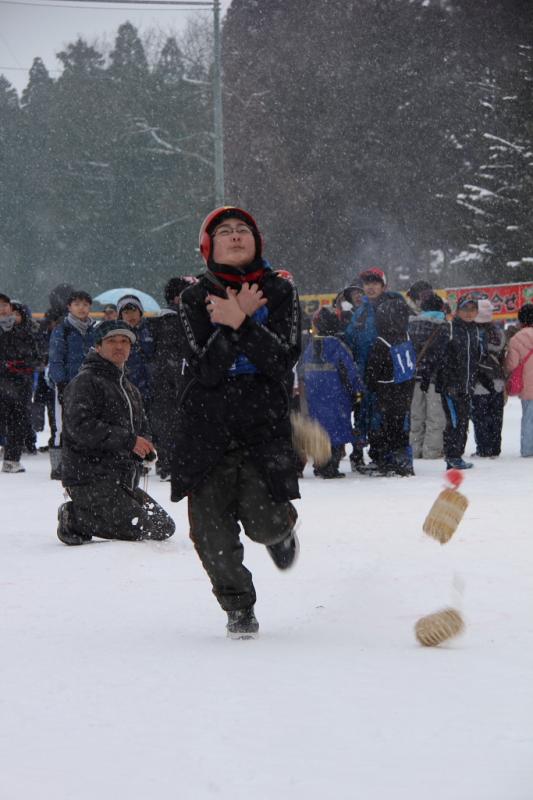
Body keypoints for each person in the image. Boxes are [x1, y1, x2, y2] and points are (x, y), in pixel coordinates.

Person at [171, 206, 301, 639]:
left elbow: (281, 359)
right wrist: (232, 326)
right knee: (210, 534)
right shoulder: (192, 300)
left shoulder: (280, 292)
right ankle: (238, 607)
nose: (235, 236)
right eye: (224, 231)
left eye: (242, 229)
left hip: (263, 422)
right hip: (207, 426)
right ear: (210, 247)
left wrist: (241, 320)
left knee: (264, 521)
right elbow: (205, 370)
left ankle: (281, 529)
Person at [56, 320, 175, 545]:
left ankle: (101, 512)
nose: (119, 346)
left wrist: (145, 445)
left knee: (163, 527)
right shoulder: (85, 382)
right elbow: (80, 428)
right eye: (112, 341)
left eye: (124, 341)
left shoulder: (130, 388)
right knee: (142, 529)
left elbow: (143, 428)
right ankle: (74, 517)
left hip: (122, 481)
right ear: (98, 346)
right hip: (89, 478)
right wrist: (129, 441)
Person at [344, 267, 410, 473]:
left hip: (389, 371)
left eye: (375, 283)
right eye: (367, 283)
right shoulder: (361, 311)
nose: (370, 287)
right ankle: (379, 456)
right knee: (371, 415)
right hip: (366, 372)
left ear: (384, 285)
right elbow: (352, 340)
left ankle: (398, 458)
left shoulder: (394, 305)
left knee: (393, 415)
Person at [302, 306, 365, 478]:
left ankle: (320, 464)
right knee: (336, 432)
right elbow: (350, 372)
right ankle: (331, 466)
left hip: (315, 398)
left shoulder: (310, 346)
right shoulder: (338, 347)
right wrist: (358, 391)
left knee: (320, 431)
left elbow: (304, 372)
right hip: (336, 398)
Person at [150, 275, 198, 480]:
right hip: (171, 381)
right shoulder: (171, 319)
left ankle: (171, 461)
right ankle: (169, 463)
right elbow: (171, 356)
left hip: (173, 380)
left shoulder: (181, 317)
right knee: (170, 421)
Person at [48, 290, 97, 480]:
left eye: (85, 304)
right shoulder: (62, 329)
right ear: (69, 307)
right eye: (77, 304)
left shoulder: (95, 329)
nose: (82, 308)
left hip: (91, 385)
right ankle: (59, 464)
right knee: (62, 426)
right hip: (67, 385)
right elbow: (55, 359)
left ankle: (84, 461)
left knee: (87, 423)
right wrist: (60, 383)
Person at [365, 295, 416, 476]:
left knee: (387, 427)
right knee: (402, 427)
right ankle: (403, 459)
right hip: (406, 390)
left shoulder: (382, 342)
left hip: (387, 392)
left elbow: (372, 370)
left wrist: (370, 385)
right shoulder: (407, 337)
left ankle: (389, 460)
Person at [435, 295, 483, 469]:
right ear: (458, 310)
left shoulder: (475, 330)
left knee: (463, 421)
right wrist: (448, 382)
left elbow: (475, 359)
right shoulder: (450, 328)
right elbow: (440, 358)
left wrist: (473, 380)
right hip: (451, 387)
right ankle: (452, 456)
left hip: (467, 386)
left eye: (472, 309)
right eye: (465, 309)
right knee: (454, 422)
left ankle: (456, 456)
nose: (469, 313)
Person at [0, 294, 40, 473]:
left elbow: (36, 355)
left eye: (5, 305)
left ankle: (12, 459)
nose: (2, 308)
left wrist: (22, 364)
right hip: (3, 381)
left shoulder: (24, 330)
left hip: (20, 383)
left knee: (18, 420)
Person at [408, 293, 450, 459]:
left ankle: (414, 449)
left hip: (414, 377)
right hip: (434, 378)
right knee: (435, 417)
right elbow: (444, 354)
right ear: (441, 308)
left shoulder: (410, 326)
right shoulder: (443, 326)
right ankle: (431, 451)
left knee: (416, 415)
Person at [471, 300, 506, 458]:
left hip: (479, 380)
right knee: (496, 416)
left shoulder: (473, 332)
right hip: (497, 378)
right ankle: (495, 448)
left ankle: (483, 449)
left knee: (480, 416)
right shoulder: (498, 332)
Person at [504, 303, 533, 457]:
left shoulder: (516, 339)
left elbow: (511, 364)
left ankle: (528, 450)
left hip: (528, 387)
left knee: (529, 419)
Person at [116, 294, 155, 409]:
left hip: (152, 387)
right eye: (126, 312)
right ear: (120, 316)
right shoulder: (118, 335)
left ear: (140, 312)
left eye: (133, 310)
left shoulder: (152, 329)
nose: (130, 315)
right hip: (128, 388)